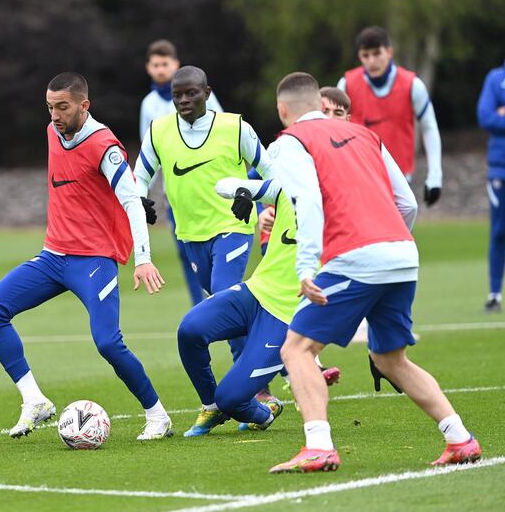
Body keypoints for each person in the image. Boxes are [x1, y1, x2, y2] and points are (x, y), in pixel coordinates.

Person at [268, 72, 481, 473]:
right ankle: (460, 439)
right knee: (390, 358)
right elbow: (408, 203)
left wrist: (305, 264)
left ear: (284, 110)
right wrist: (392, 245)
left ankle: (318, 446)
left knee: (296, 349)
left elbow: (308, 201)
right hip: (402, 252)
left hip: (355, 255)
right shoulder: (367, 135)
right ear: (319, 102)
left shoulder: (289, 143)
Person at [0, 72, 172, 441]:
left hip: (94, 261)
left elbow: (132, 201)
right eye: (50, 107)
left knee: (108, 342)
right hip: (52, 258)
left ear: (85, 105)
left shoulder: (105, 146)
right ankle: (34, 400)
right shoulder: (52, 132)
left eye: (62, 107)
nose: (54, 115)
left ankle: (157, 415)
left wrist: (143, 258)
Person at [135, 66, 273, 368]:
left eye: (191, 93)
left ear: (207, 94)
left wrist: (251, 195)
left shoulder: (236, 128)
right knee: (229, 305)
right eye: (177, 95)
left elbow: (272, 173)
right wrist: (140, 200)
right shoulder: (159, 131)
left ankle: (252, 381)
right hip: (190, 234)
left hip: (232, 226)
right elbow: (139, 177)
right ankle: (279, 351)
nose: (184, 100)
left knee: (223, 299)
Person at [177, 176, 297, 437]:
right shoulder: (288, 189)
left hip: (284, 317)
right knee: (189, 330)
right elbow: (223, 184)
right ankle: (211, 407)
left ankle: (264, 413)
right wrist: (242, 193)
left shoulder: (343, 214)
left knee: (231, 398)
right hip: (254, 293)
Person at [140, 39, 224, 306]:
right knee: (188, 256)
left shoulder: (203, 96)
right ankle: (198, 308)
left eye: (165, 64)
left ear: (175, 65)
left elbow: (222, 134)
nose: (161, 69)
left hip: (210, 193)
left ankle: (224, 305)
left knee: (217, 254)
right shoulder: (149, 104)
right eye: (156, 65)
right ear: (149, 68)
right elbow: (148, 150)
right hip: (175, 195)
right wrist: (141, 192)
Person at [339, 26, 442, 206]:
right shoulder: (346, 84)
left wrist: (435, 175)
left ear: (389, 52)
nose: (372, 61)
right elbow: (332, 131)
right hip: (358, 177)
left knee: (398, 234)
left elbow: (429, 127)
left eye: (377, 53)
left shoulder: (412, 85)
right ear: (359, 57)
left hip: (400, 179)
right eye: (366, 55)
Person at [477, 61, 505, 313]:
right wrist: (497, 114)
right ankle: (495, 293)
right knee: (499, 232)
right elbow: (485, 116)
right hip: (500, 169)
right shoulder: (496, 78)